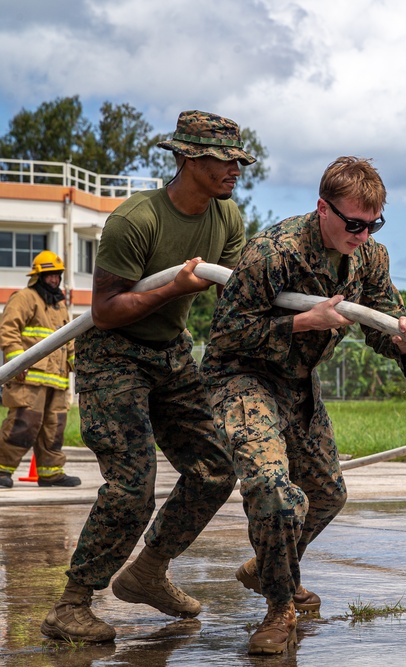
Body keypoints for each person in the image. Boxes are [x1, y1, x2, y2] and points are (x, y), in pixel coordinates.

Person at [41, 110, 254, 643]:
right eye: (224, 159)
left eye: (238, 160)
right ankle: (71, 604)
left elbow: (230, 287)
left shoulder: (227, 216)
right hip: (113, 354)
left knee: (214, 469)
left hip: (169, 351)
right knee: (133, 485)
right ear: (186, 158)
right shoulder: (136, 220)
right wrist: (172, 290)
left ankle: (147, 571)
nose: (236, 170)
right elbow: (107, 310)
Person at [201, 156, 406, 655]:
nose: (363, 234)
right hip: (244, 375)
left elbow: (383, 325)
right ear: (323, 208)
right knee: (275, 492)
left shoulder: (371, 257)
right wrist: (305, 322)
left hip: (299, 383)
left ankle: (267, 568)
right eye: (353, 224)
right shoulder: (272, 253)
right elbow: (224, 334)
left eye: (373, 224)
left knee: (326, 495)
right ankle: (279, 610)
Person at [0, 251, 79, 488]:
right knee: (23, 425)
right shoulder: (24, 298)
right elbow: (8, 330)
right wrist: (16, 364)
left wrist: (78, 367)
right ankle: (1, 469)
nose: (54, 279)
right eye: (49, 275)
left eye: (57, 275)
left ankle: (50, 472)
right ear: (38, 276)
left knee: (54, 428)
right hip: (28, 380)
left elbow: (70, 341)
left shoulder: (59, 306)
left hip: (57, 381)